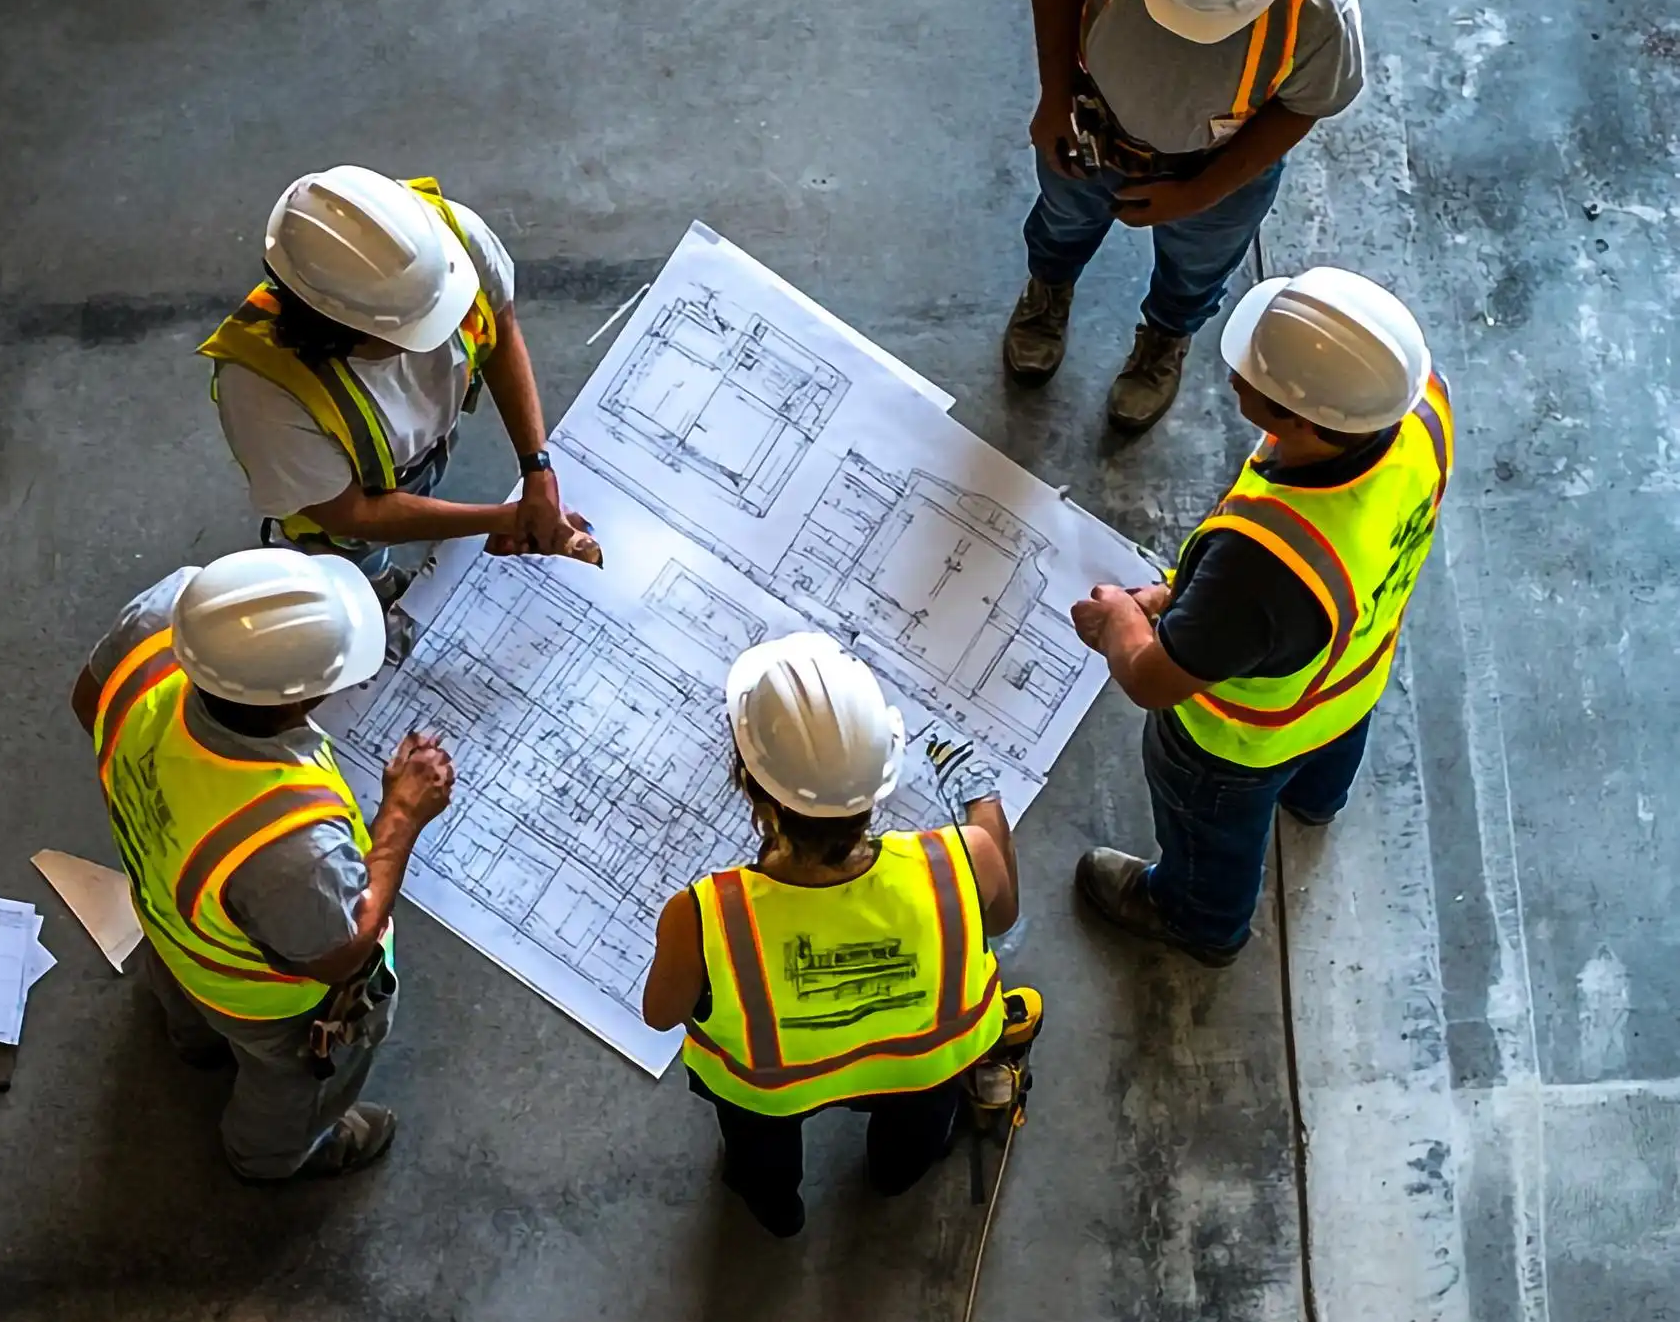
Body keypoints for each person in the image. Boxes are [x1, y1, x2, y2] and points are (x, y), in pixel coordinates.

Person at [1068, 267, 1451, 965]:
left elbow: (1152, 680)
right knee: (1325, 753)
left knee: (1211, 829)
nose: (1232, 372)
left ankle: (1198, 919)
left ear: (1299, 420)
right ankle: (1316, 800)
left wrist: (1120, 619)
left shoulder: (1262, 564)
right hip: (1349, 681)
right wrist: (1186, 597)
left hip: (1241, 744)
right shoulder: (1422, 402)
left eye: (1250, 373)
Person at [70, 548, 455, 1180]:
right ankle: (271, 1157)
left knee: (186, 997)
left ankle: (192, 1042)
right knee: (292, 1082)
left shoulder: (163, 618)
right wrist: (402, 817)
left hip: (168, 920)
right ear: (291, 702)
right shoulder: (291, 846)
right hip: (262, 1002)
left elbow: (89, 701)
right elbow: (340, 955)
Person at [642, 632, 1026, 1238]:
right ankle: (895, 1174)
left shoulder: (704, 915)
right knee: (916, 1135)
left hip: (770, 1093)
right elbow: (1000, 920)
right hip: (921, 1070)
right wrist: (983, 803)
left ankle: (776, 1208)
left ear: (750, 784)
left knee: (759, 1157)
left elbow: (661, 1015)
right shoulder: (964, 859)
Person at [1002, 0, 1366, 433]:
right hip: (1089, 120)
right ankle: (1047, 292)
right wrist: (1055, 94)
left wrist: (1203, 192)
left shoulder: (1323, 4)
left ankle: (1165, 339)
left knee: (1197, 267)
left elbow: (1304, 105)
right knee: (1063, 218)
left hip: (1219, 161)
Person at [201, 166, 596, 582]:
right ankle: (378, 583)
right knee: (358, 567)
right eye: (415, 327)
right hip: (344, 529)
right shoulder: (263, 391)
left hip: (421, 456)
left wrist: (537, 466)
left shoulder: (454, 243)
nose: (445, 328)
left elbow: (502, 330)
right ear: (337, 329)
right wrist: (505, 519)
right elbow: (351, 515)